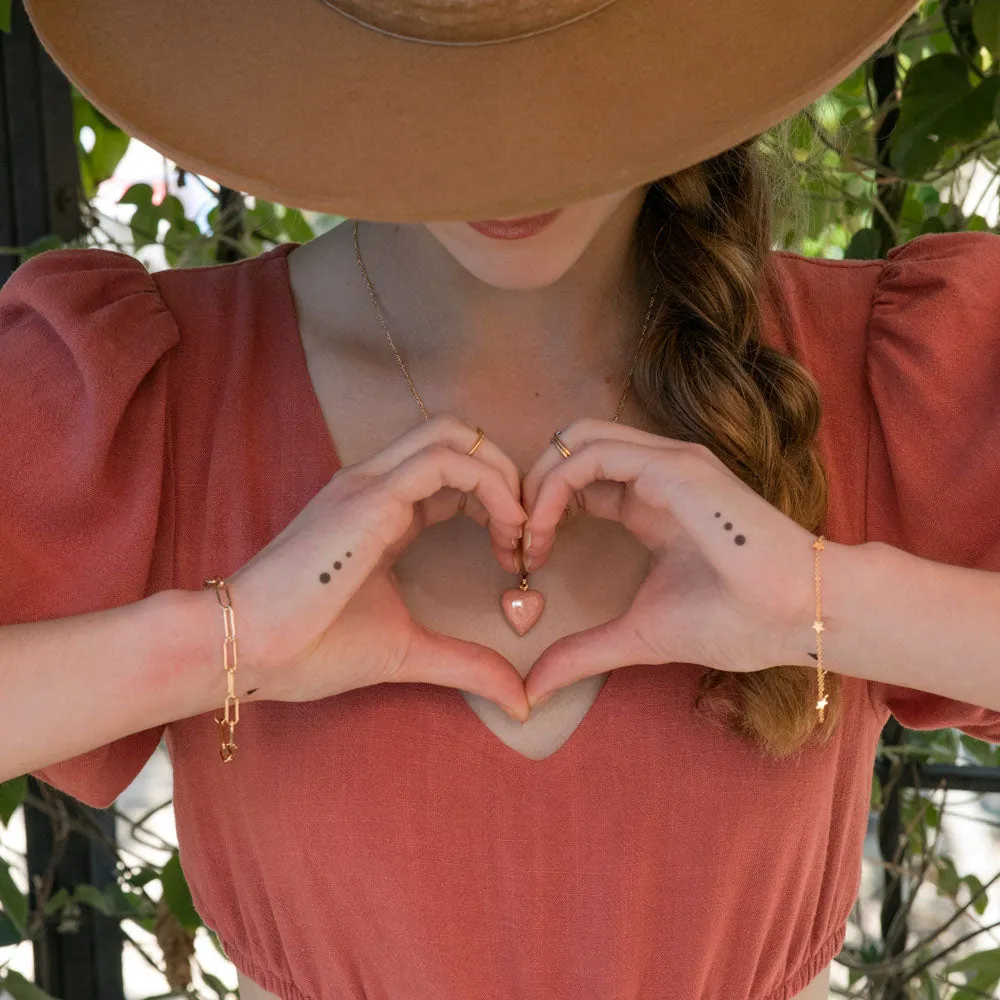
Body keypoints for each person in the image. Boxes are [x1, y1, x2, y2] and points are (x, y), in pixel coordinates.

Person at [4, 0, 1000, 998]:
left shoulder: (885, 373)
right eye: (452, 63)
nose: (503, 143)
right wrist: (226, 641)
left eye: (545, 53)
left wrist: (827, 603)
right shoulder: (151, 391)